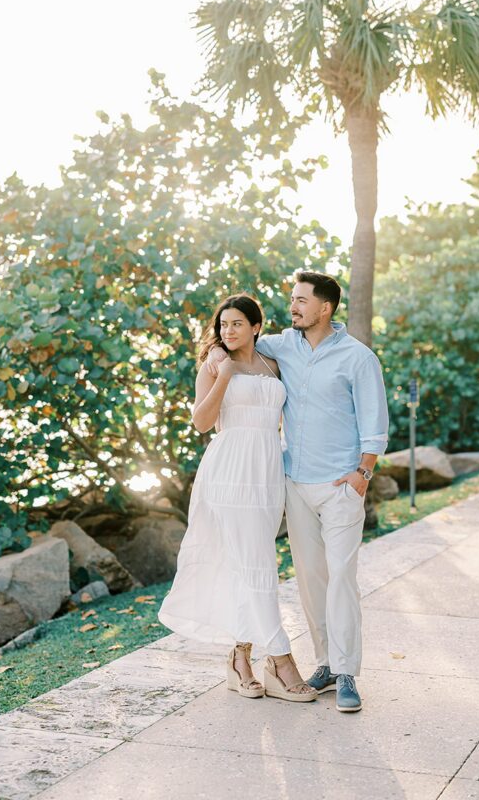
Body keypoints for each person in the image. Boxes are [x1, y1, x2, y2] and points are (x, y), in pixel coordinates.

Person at [207, 271, 389, 713]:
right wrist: (215, 348)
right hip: (292, 482)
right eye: (292, 299)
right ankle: (325, 664)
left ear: (324, 308)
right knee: (310, 580)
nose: (293, 307)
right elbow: (237, 339)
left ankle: (347, 674)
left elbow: (375, 421)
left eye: (302, 300)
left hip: (340, 484)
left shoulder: (358, 358)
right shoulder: (281, 346)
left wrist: (363, 472)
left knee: (342, 577)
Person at [158, 293, 316, 703]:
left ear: (256, 327)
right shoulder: (214, 364)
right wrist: (224, 375)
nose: (228, 331)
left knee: (254, 560)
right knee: (256, 562)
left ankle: (239, 660)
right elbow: (201, 423)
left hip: (266, 471)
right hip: (229, 471)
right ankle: (281, 661)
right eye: (223, 324)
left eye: (236, 324)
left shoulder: (272, 363)